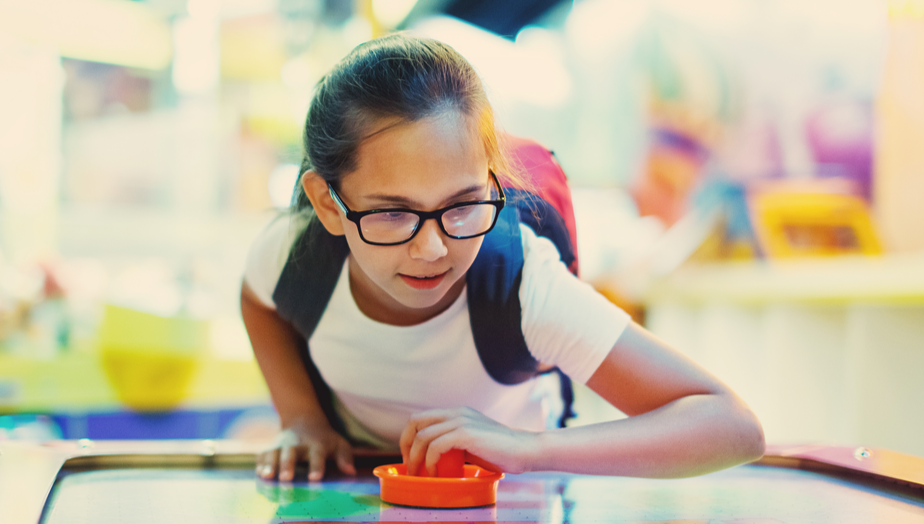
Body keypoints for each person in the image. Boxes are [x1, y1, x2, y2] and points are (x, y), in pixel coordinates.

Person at [241, 33, 764, 483]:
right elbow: (256, 299)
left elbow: (732, 427)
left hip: (511, 504)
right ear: (327, 205)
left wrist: (525, 449)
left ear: (492, 178)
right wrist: (302, 417)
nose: (434, 249)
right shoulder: (292, 255)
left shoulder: (524, 286)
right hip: (361, 488)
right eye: (393, 213)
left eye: (462, 204)